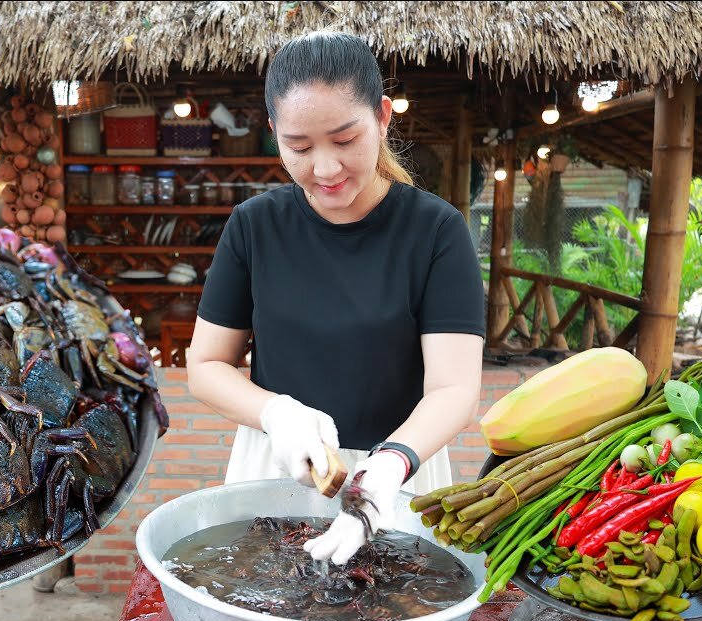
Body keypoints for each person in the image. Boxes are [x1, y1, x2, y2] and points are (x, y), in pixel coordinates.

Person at [186, 31, 486, 566]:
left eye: (345, 139)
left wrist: (391, 465)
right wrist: (275, 412)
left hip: (398, 474)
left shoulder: (437, 231)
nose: (324, 169)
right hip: (276, 466)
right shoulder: (255, 226)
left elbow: (455, 389)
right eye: (299, 148)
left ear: (383, 117)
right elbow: (206, 364)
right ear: (275, 133)